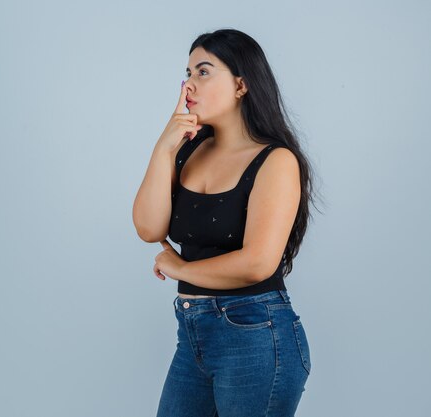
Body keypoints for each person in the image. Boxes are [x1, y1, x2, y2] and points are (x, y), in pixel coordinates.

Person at [132, 28, 322, 416]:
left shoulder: (276, 160)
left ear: (240, 84)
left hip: (255, 336)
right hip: (192, 335)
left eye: (203, 72)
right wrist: (163, 147)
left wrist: (181, 267)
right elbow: (149, 228)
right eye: (186, 73)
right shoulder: (189, 149)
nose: (189, 85)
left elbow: (258, 263)